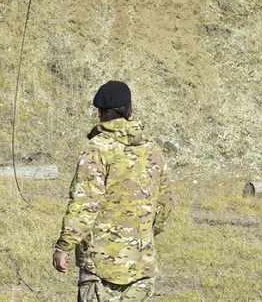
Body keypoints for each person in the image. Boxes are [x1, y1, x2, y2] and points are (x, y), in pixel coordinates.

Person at [53, 80, 173, 302]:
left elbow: (84, 205)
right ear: (130, 110)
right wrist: (142, 237)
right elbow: (164, 205)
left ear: (100, 113)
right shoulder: (152, 149)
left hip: (101, 268)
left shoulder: (97, 149)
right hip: (141, 266)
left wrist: (64, 246)